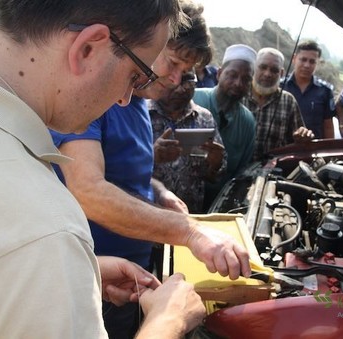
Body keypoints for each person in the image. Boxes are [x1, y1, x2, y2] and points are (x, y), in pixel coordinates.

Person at [0, 0, 206, 338]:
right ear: (88, 48)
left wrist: (76, 272)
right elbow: (27, 243)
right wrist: (169, 321)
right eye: (136, 75)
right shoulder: (43, 230)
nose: (126, 97)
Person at [49, 2, 251, 337]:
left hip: (129, 274)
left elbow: (129, 176)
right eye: (172, 62)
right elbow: (87, 191)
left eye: (185, 70)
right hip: (93, 276)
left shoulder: (138, 102)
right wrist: (189, 231)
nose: (175, 80)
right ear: (149, 42)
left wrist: (160, 192)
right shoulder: (95, 96)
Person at [149, 69, 226, 213]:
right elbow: (121, 169)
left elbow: (213, 177)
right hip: (147, 212)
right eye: (173, 84)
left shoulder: (205, 118)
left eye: (187, 84)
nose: (179, 90)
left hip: (189, 216)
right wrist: (151, 156)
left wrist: (215, 163)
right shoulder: (143, 115)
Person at [193, 43, 257, 210]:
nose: (237, 83)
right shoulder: (193, 99)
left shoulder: (248, 122)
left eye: (246, 79)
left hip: (217, 206)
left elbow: (241, 172)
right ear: (219, 73)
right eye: (232, 75)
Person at [242, 47, 314, 162]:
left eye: (274, 70)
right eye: (263, 67)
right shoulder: (239, 94)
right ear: (254, 67)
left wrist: (303, 135)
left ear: (281, 73)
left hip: (271, 173)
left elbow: (299, 140)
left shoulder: (288, 101)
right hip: (235, 171)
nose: (267, 74)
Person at [284, 40, 336, 139]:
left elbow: (328, 126)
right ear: (294, 59)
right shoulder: (281, 87)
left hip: (313, 150)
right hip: (284, 150)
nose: (307, 65)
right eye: (303, 60)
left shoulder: (325, 91)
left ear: (318, 63)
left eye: (312, 61)